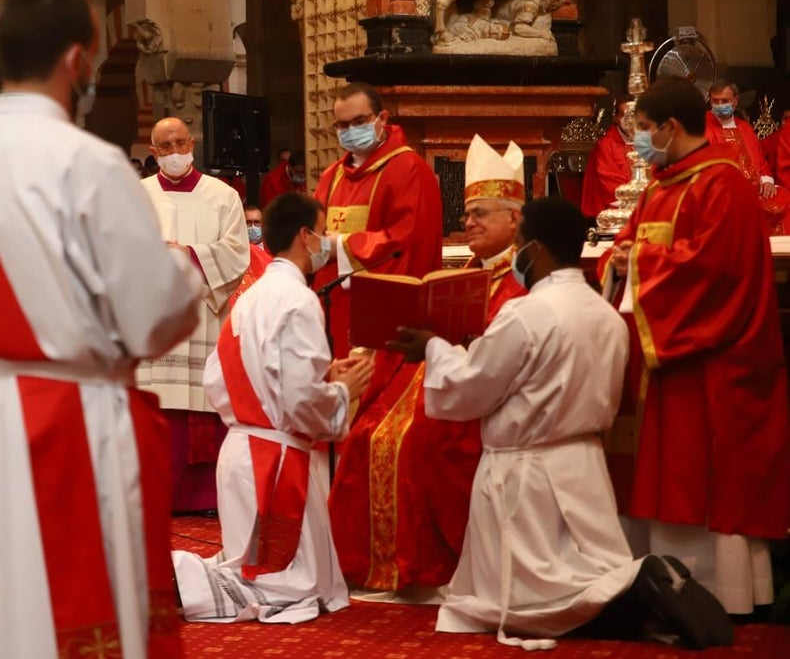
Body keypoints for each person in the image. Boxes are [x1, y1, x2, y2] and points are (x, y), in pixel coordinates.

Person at [0, 0, 200, 658]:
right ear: (77, 59)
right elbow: (152, 311)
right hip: (83, 410)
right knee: (91, 606)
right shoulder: (91, 163)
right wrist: (184, 276)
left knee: (9, 602)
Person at [393, 196, 732, 651]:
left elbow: (471, 388)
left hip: (525, 468)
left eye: (520, 244)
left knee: (527, 599)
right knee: (582, 565)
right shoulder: (603, 313)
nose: (517, 255)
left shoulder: (527, 311)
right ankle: (638, 593)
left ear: (538, 249)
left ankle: (632, 597)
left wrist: (434, 348)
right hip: (583, 461)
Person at [604, 76, 790, 616]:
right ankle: (659, 588)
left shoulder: (723, 185)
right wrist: (621, 261)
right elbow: (626, 244)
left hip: (710, 361)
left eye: (641, 129)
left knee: (703, 476)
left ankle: (718, 592)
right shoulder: (662, 185)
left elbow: (714, 271)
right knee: (658, 472)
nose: (637, 139)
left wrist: (636, 264)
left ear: (669, 127)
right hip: (664, 360)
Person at [330, 136, 525, 597]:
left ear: (514, 217)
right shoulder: (469, 269)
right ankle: (371, 567)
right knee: (365, 433)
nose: (468, 221)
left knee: (421, 442)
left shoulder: (522, 277)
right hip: (438, 374)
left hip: (480, 393)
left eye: (481, 213)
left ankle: (423, 568)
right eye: (467, 213)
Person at [172, 194, 374, 623]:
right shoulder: (298, 301)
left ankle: (165, 581)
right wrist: (340, 392)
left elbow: (220, 377)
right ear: (306, 236)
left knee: (279, 573)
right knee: (278, 585)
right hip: (273, 461)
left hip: (245, 447)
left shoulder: (250, 296)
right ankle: (169, 583)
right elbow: (302, 397)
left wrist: (308, 386)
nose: (327, 242)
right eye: (323, 232)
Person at [137, 116, 250, 513]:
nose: (173, 153)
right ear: (153, 152)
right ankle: (156, 494)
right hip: (156, 316)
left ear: (193, 143)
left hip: (203, 310)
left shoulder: (222, 196)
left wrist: (187, 255)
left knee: (202, 405)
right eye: (164, 147)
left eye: (180, 144)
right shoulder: (137, 195)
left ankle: (204, 496)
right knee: (158, 405)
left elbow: (238, 253)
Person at [313, 82, 443, 358]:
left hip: (383, 312)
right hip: (333, 309)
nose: (350, 132)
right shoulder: (331, 176)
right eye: (342, 126)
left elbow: (408, 243)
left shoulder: (409, 170)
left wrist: (344, 245)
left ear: (382, 119)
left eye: (359, 121)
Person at [704, 80, 790, 233]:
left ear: (735, 101)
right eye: (715, 101)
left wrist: (767, 181)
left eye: (724, 101)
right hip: (727, 194)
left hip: (756, 192)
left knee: (785, 202)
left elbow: (761, 163)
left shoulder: (745, 127)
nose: (719, 105)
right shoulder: (703, 128)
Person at [580, 97, 634, 217]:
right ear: (615, 118)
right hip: (610, 207)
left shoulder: (649, 142)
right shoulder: (606, 145)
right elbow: (610, 182)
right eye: (624, 115)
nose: (630, 121)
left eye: (634, 115)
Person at [228, 204, 272, 311]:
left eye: (257, 223)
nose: (252, 227)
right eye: (248, 223)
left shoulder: (275, 253)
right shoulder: (231, 253)